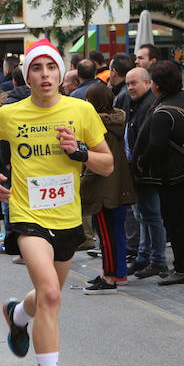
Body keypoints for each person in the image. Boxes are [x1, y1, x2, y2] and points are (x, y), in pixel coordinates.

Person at [0, 38, 113, 366]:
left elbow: (108, 165)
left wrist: (79, 153)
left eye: (52, 67)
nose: (45, 75)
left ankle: (17, 314)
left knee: (46, 296)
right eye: (37, 68)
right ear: (27, 75)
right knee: (51, 294)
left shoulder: (81, 111)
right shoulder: (11, 115)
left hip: (67, 219)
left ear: (59, 73)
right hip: (28, 215)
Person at [133, 60, 184, 286]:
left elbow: (157, 146)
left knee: (175, 221)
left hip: (171, 174)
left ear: (157, 85)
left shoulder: (164, 111)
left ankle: (182, 268)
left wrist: (141, 161)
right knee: (182, 220)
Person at [80, 83, 135, 293]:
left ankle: (110, 276)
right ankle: (116, 273)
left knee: (107, 235)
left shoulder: (101, 129)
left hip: (104, 189)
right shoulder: (117, 124)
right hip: (118, 185)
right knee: (115, 233)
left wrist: (82, 184)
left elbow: (97, 163)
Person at [123, 67, 166, 279]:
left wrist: (140, 163)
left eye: (134, 83)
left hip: (147, 172)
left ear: (148, 83)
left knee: (151, 216)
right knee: (144, 215)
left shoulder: (149, 105)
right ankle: (145, 256)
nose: (130, 87)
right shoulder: (138, 104)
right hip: (139, 170)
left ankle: (156, 260)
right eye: (128, 83)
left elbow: (150, 141)